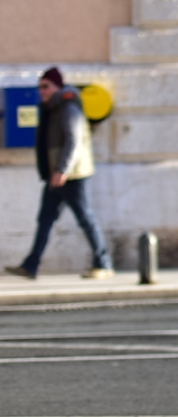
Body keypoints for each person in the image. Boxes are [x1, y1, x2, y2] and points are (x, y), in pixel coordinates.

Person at [5, 68, 114, 280]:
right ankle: (31, 265)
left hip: (71, 175)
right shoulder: (53, 108)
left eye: (45, 86)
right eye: (40, 87)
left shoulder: (68, 106)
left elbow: (73, 142)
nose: (41, 91)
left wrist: (62, 170)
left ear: (57, 86)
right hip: (58, 173)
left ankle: (103, 263)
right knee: (45, 219)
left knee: (85, 218)